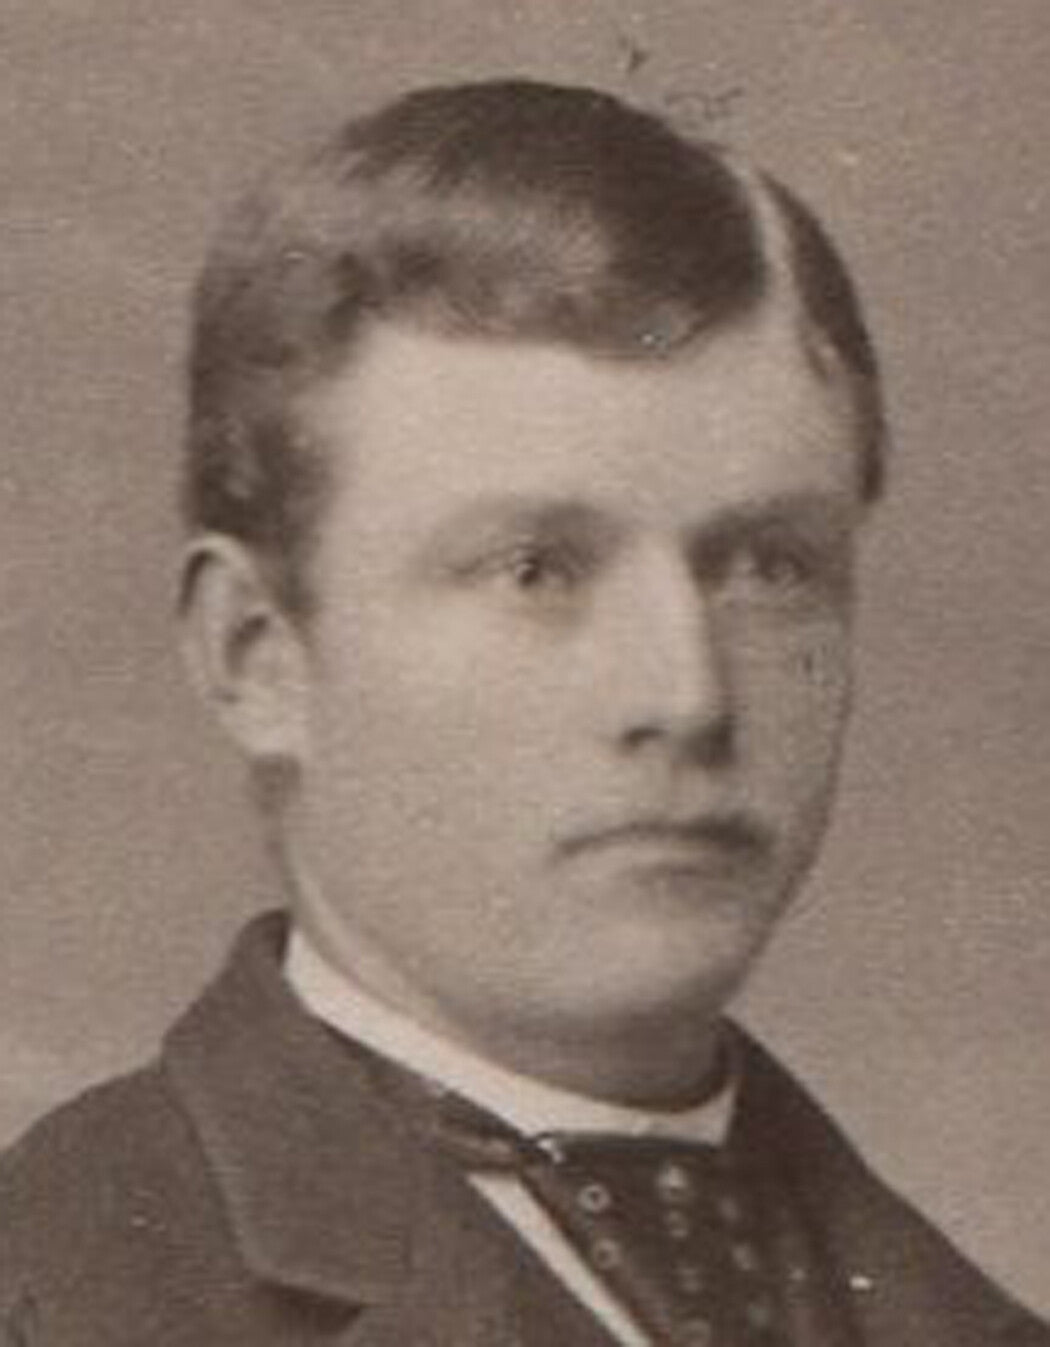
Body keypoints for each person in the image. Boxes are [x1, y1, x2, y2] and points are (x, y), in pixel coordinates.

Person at [0, 78, 1045, 1347]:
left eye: (771, 566)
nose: (687, 696)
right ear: (256, 657)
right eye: (537, 570)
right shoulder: (59, 1291)